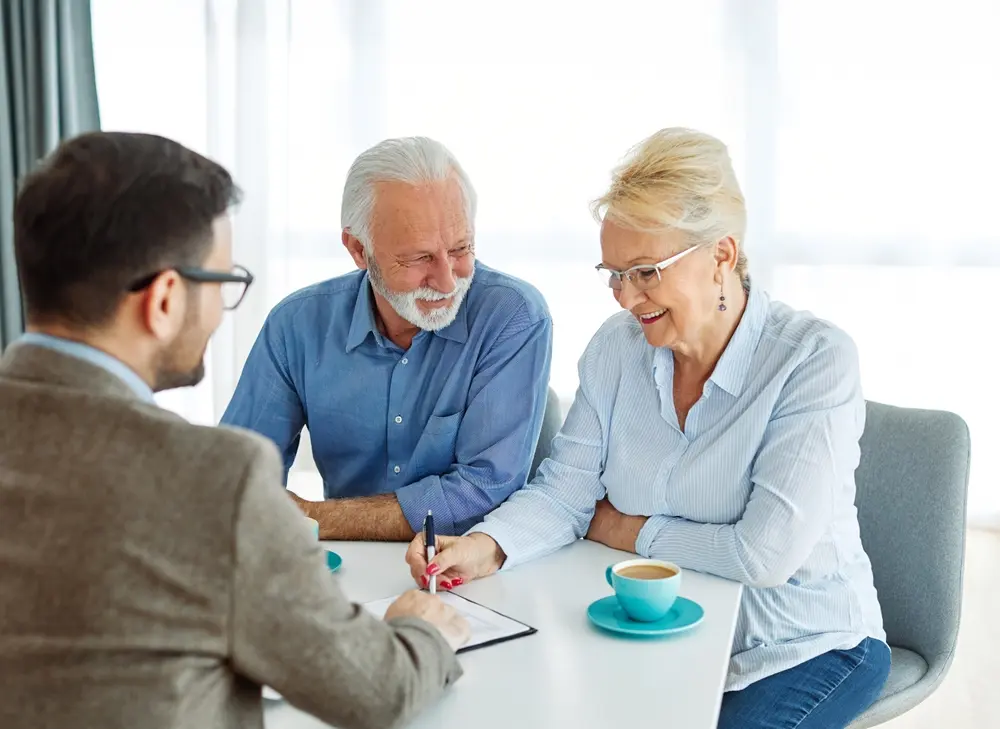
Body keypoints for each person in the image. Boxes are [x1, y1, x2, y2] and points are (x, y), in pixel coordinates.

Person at [405, 128, 890, 727]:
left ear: (722, 255)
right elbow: (565, 493)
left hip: (801, 647)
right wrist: (484, 547)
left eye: (645, 272)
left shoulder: (812, 359)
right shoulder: (617, 348)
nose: (624, 298)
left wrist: (627, 529)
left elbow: (761, 555)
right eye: (614, 273)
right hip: (663, 641)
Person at [0, 131, 469, 729]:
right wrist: (422, 631)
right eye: (222, 283)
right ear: (164, 300)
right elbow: (378, 691)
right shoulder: (212, 481)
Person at [221, 136, 552, 540]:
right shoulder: (296, 325)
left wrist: (315, 517)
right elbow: (237, 476)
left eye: (460, 248)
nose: (448, 281)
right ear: (358, 250)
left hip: (469, 565)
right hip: (343, 565)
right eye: (419, 257)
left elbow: (484, 491)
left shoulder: (513, 316)